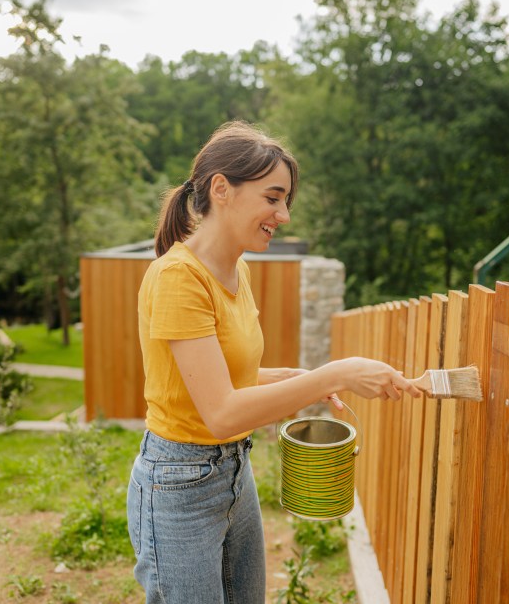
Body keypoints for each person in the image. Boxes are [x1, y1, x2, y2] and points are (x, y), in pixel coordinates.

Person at [127, 121, 418, 603]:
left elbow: (226, 378)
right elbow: (220, 412)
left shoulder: (236, 268)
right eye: (272, 197)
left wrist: (299, 380)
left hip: (232, 472)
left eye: (286, 201)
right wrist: (336, 372)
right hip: (178, 485)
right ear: (221, 189)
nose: (283, 215)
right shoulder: (178, 278)